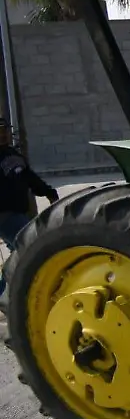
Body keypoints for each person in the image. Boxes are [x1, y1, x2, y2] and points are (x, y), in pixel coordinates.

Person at [0, 117, 58, 296]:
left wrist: (48, 192)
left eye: (5, 130)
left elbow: (29, 178)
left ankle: (7, 291)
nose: (4, 134)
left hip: (17, 212)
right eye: (0, 131)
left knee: (24, 250)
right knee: (29, 247)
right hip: (5, 214)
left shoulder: (13, 155)